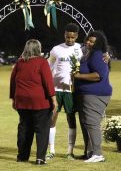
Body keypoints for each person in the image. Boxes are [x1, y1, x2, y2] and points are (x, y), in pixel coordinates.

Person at [10, 39, 58, 165]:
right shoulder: (42, 62)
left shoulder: (20, 62)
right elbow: (48, 82)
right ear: (38, 49)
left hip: (22, 100)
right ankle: (40, 158)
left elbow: (13, 81)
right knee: (42, 129)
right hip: (39, 101)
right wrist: (53, 99)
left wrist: (13, 98)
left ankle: (22, 156)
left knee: (24, 128)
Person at [74, 30, 112, 163]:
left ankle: (97, 154)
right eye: (88, 40)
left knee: (92, 123)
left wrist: (78, 76)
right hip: (87, 93)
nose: (89, 43)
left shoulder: (97, 54)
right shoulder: (88, 53)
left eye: (92, 42)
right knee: (86, 124)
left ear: (99, 44)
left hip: (96, 93)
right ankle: (89, 152)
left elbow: (98, 75)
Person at [46, 23, 83, 160]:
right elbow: (47, 66)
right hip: (56, 90)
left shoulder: (81, 49)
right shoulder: (56, 49)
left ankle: (69, 152)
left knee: (71, 119)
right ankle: (51, 150)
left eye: (72, 37)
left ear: (77, 36)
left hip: (71, 90)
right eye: (67, 37)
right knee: (52, 119)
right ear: (64, 35)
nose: (70, 40)